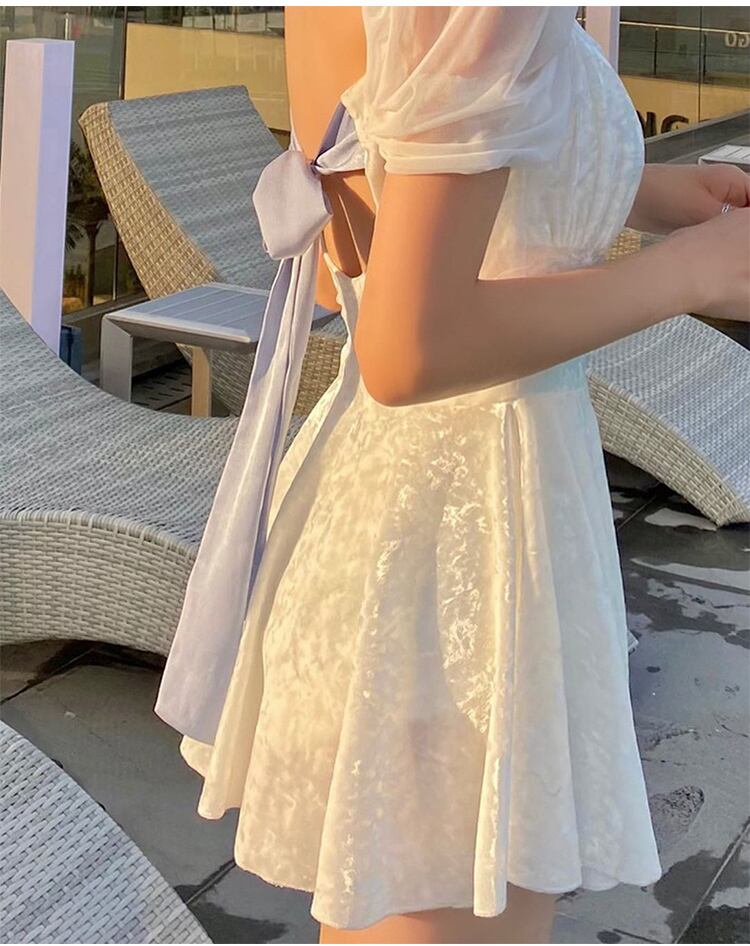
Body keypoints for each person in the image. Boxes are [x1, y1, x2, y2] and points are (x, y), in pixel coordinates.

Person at [154, 7, 750, 944]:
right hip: (465, 545)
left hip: (405, 509)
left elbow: (379, 198)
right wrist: (692, 275)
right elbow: (411, 346)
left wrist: (640, 189)